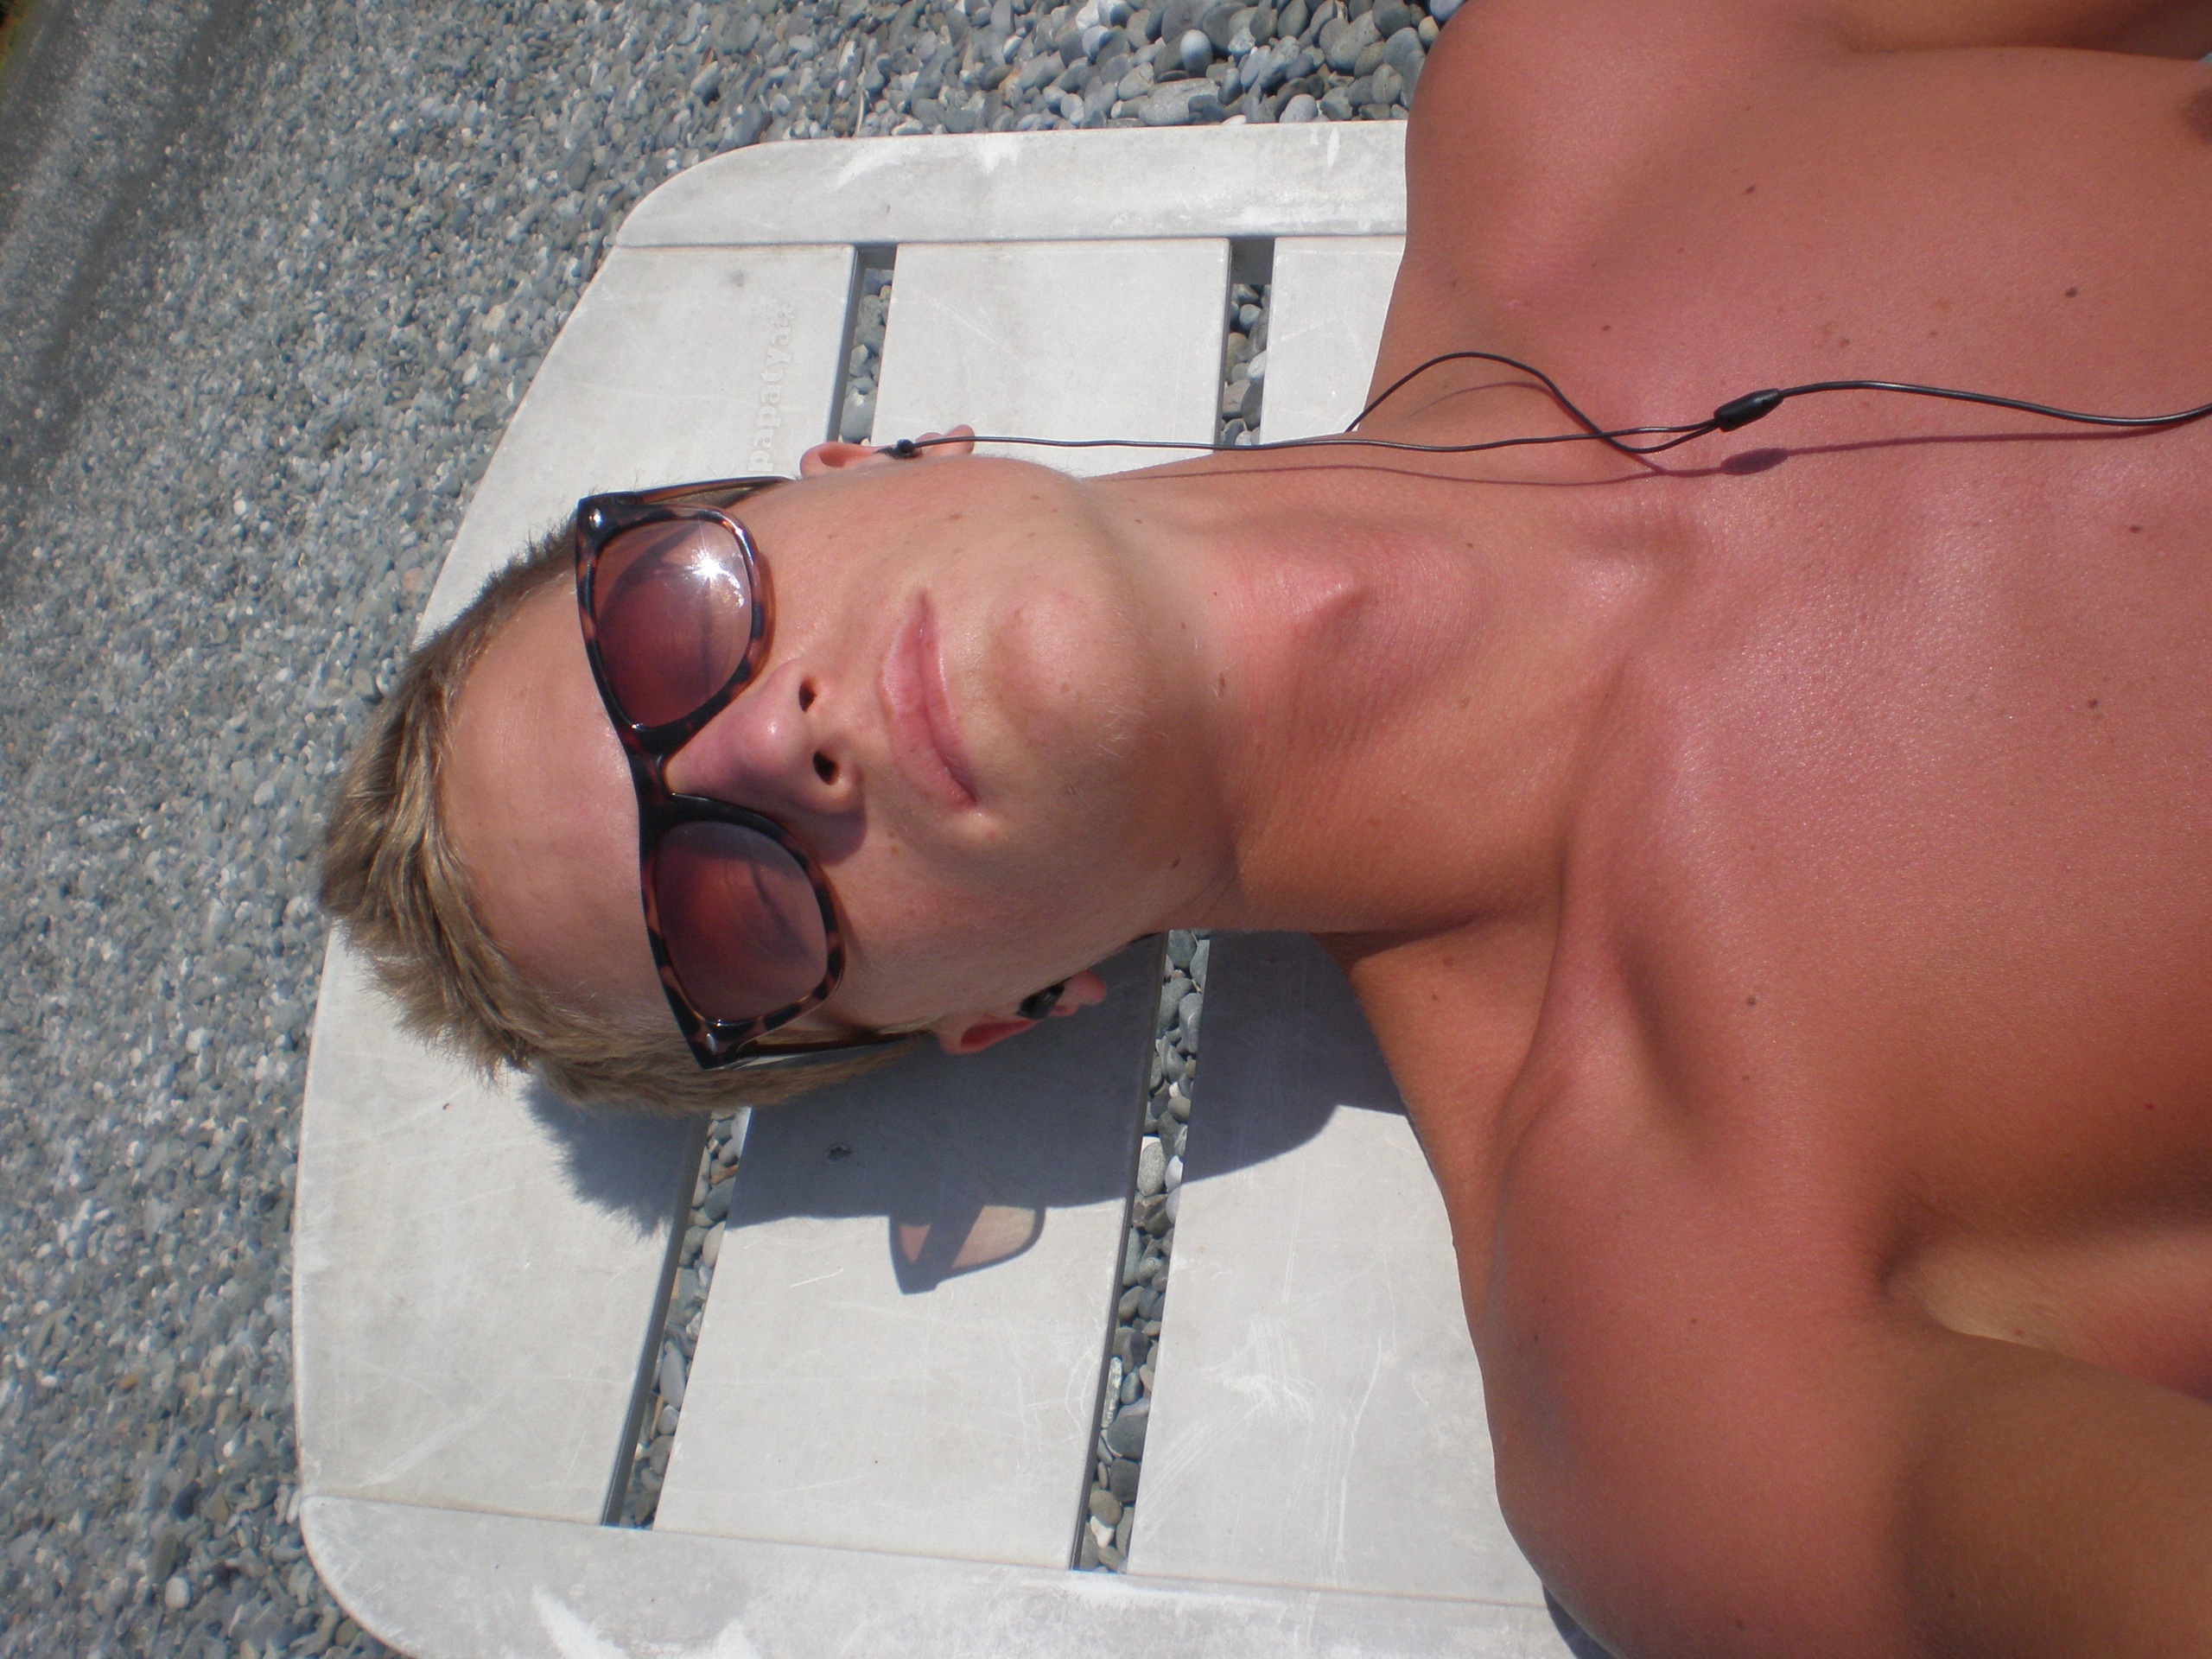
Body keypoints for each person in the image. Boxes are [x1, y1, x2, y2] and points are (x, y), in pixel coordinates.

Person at [321, 1, 2212, 1651]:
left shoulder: (1591, 75)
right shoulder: (1673, 1346)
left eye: (671, 624)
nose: (760, 750)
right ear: (992, 1014)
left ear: (864, 459)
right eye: (727, 917)